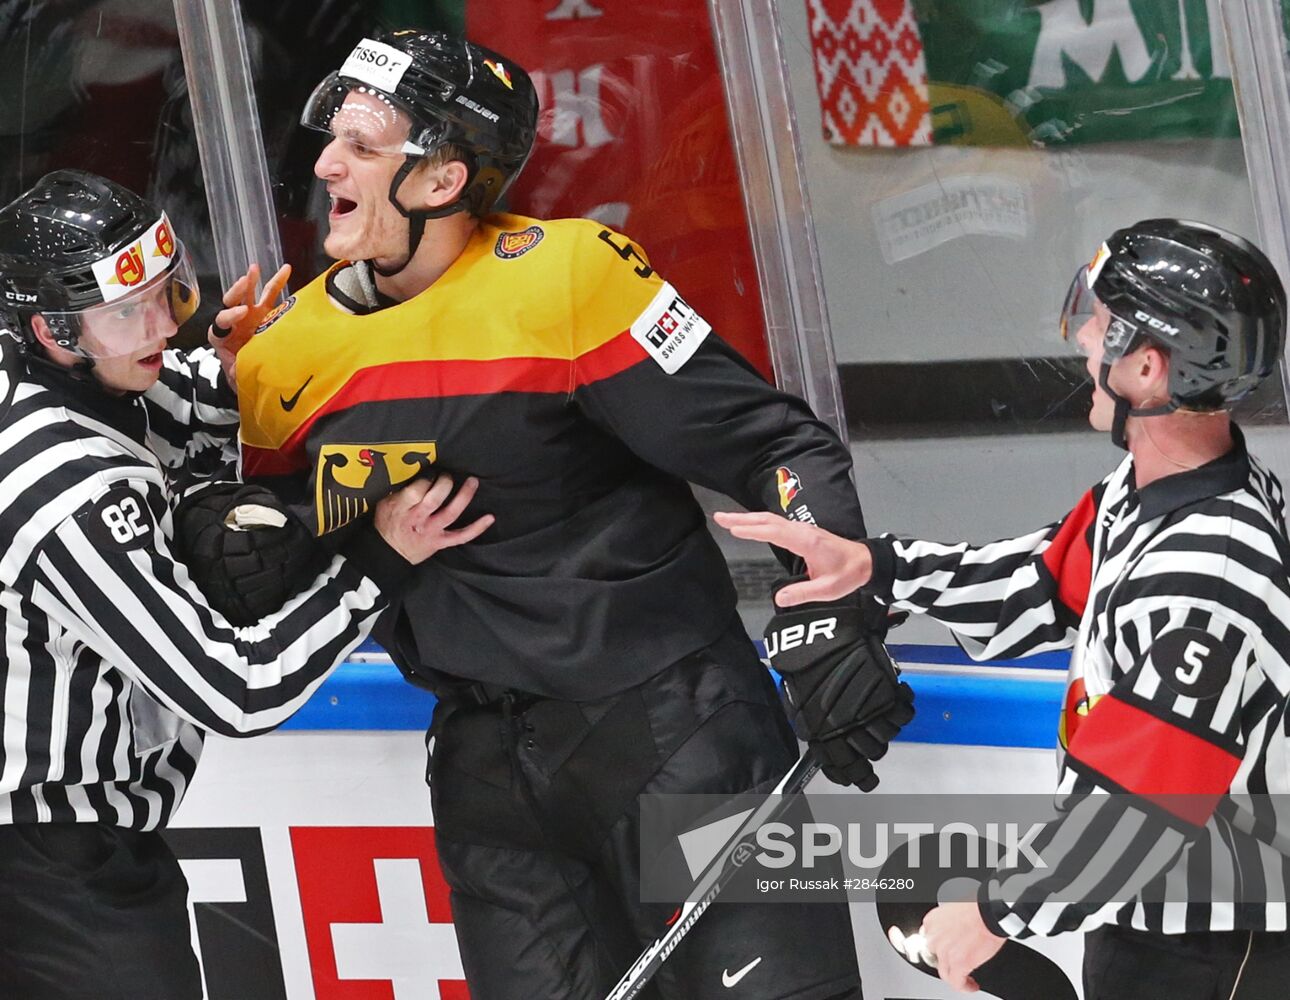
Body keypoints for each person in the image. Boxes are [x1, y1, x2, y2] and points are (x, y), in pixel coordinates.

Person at [214, 29, 915, 1000]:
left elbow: (772, 446)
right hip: (486, 774)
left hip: (678, 736)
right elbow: (251, 554)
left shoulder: (569, 280)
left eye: (364, 145)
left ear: (442, 178)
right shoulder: (280, 354)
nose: (326, 163)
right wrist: (201, 405)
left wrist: (837, 601)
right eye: (333, 136)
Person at [717, 219, 1290, 999]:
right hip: (1154, 924)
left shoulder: (1211, 578)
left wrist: (994, 911)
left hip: (1220, 954)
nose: (1086, 338)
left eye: (1102, 325)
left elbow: (1140, 815)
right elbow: (1042, 580)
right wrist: (877, 568)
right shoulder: (1151, 493)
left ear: (1149, 368)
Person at [0, 169, 491, 1000]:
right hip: (45, 858)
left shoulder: (101, 374)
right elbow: (236, 689)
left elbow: (185, 401)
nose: (161, 327)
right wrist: (377, 561)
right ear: (52, 333)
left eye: (166, 292)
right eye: (128, 313)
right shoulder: (62, 486)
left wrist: (239, 370)